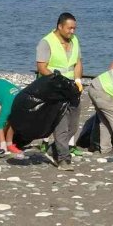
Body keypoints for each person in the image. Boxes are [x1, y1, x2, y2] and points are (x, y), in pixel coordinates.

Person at [36, 13, 83, 170]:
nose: (72, 31)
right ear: (60, 26)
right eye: (69, 28)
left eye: (74, 28)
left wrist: (77, 80)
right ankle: (64, 159)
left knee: (73, 124)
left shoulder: (75, 41)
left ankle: (53, 150)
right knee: (61, 122)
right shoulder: (46, 42)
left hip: (72, 87)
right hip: (54, 86)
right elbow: (42, 67)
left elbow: (78, 63)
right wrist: (58, 81)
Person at [0, 79, 21, 156]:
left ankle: (9, 144)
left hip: (3, 87)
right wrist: (3, 143)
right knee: (6, 120)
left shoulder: (22, 97)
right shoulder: (8, 105)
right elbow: (0, 124)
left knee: (13, 119)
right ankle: (0, 143)